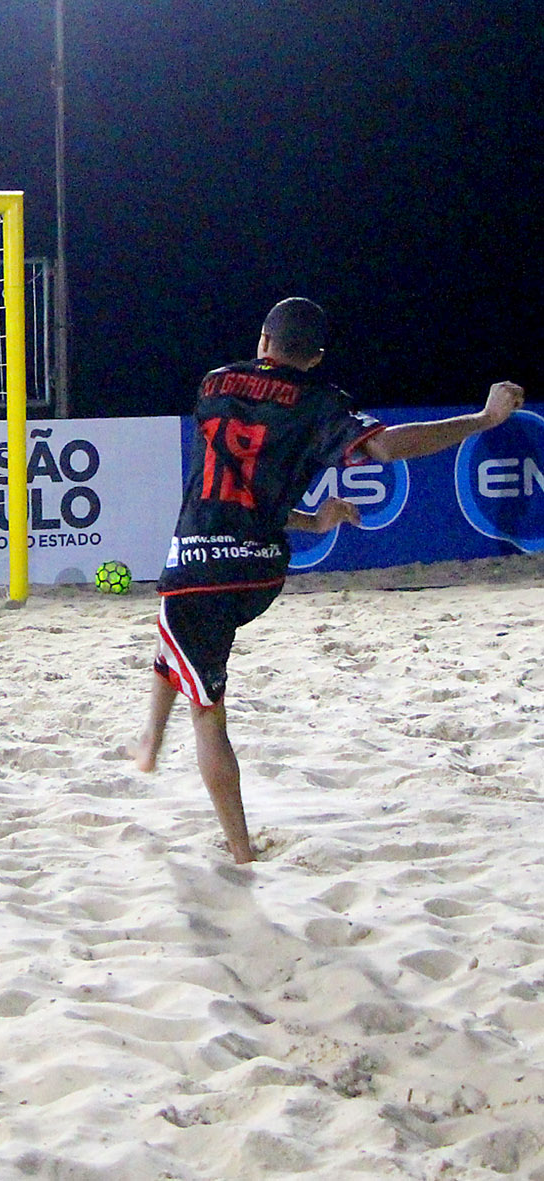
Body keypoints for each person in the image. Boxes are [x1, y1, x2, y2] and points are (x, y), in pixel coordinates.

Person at [129, 297, 525, 864]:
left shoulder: (214, 384)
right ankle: (150, 740)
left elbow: (234, 477)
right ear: (315, 358)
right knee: (181, 645)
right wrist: (482, 421)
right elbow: (385, 448)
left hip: (201, 565)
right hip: (262, 569)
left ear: (263, 340)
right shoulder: (321, 403)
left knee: (207, 709)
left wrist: (485, 420)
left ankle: (240, 851)